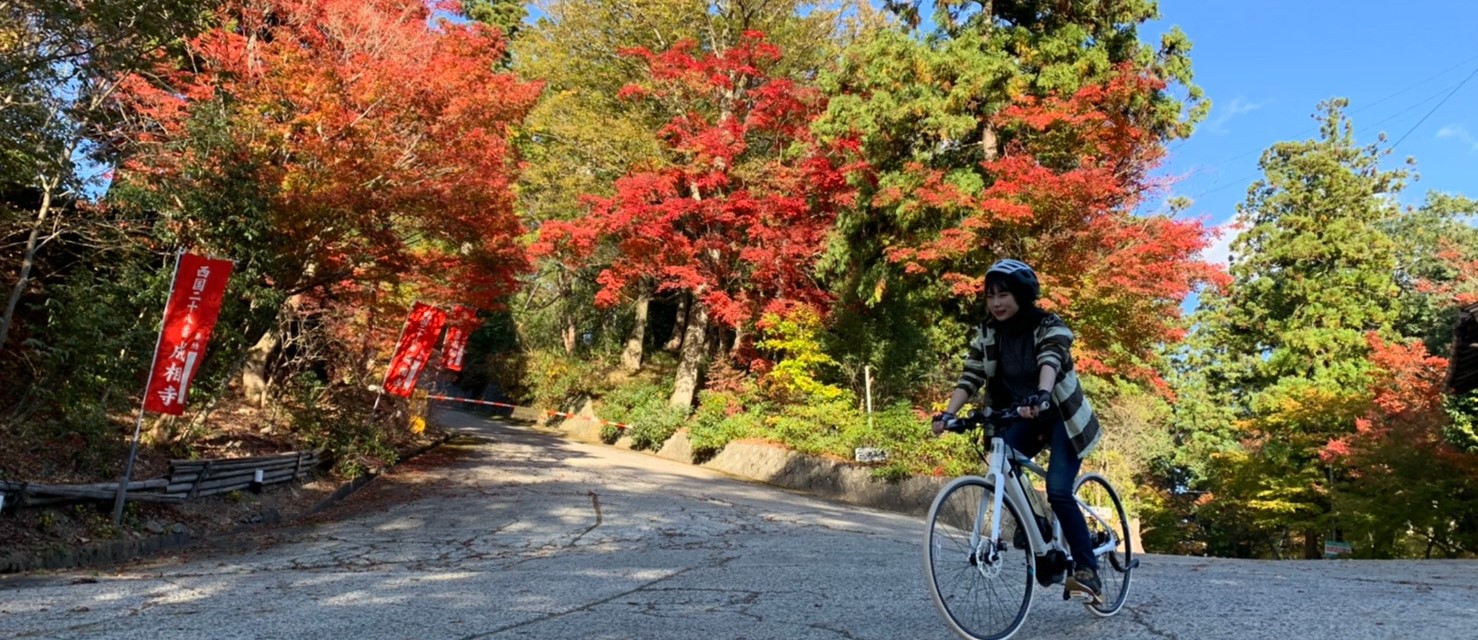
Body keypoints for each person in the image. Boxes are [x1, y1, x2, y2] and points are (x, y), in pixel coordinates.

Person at [930, 258, 1104, 600]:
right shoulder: (988, 333)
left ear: (1022, 295)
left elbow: (1050, 360)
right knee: (1002, 464)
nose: (996, 303)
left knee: (1057, 490)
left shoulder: (1049, 325)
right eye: (990, 295)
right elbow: (971, 375)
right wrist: (948, 414)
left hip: (1060, 418)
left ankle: (1088, 570)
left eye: (1004, 295)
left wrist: (1041, 394)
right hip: (1017, 415)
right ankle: (1036, 526)